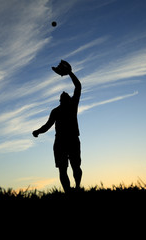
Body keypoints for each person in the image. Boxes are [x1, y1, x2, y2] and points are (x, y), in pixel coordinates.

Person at [32, 60, 82, 193]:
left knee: (75, 166)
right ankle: (68, 191)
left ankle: (76, 188)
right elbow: (47, 126)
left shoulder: (72, 105)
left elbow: (78, 86)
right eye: (63, 95)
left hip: (70, 139)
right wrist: (37, 131)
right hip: (61, 141)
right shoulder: (59, 110)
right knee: (63, 168)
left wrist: (70, 73)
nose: (65, 93)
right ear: (61, 100)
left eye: (66, 94)